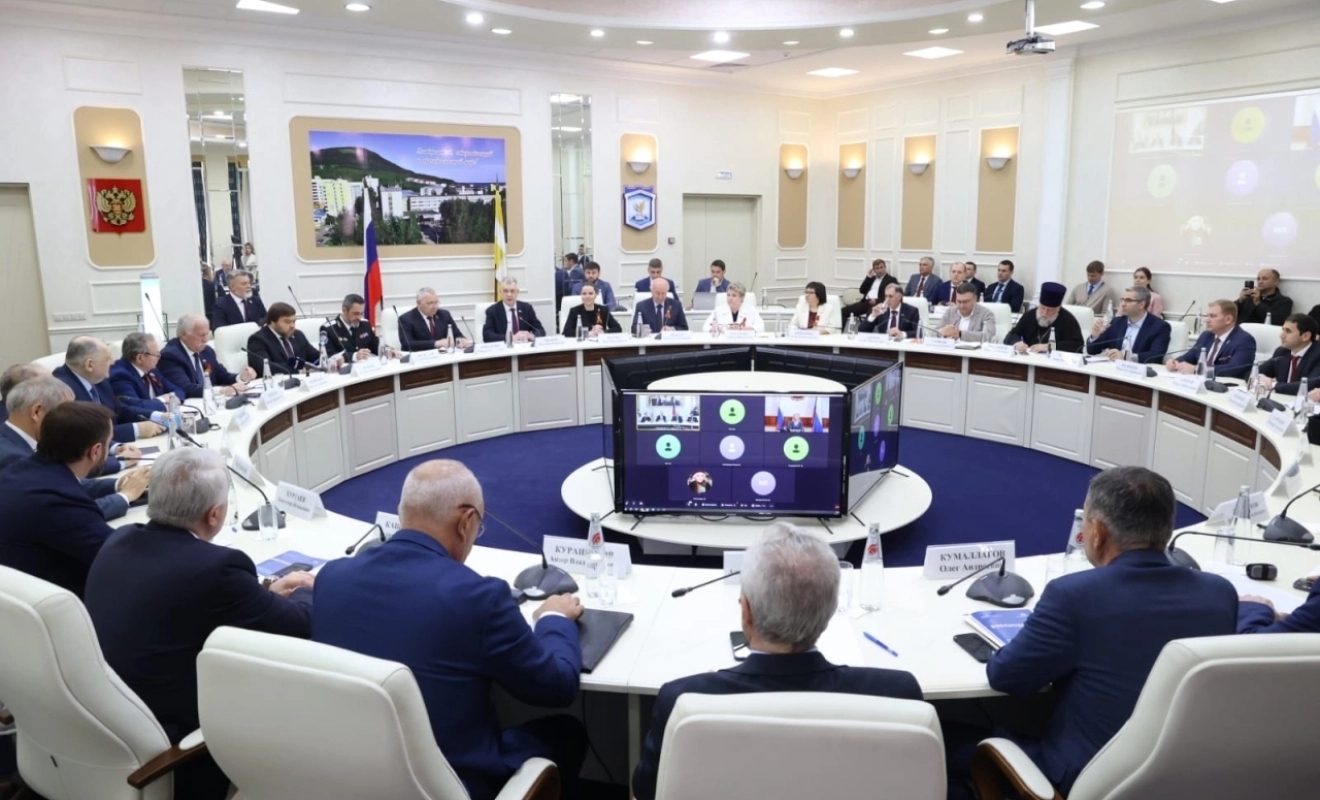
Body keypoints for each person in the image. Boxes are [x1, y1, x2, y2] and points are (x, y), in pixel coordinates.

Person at [312, 460, 586, 800]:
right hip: (451, 784)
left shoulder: (331, 578)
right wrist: (554, 618)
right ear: (466, 521)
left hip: (354, 778)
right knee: (567, 732)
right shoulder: (480, 598)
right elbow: (557, 687)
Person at [981, 466, 1237, 797]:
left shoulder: (1073, 596)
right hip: (1183, 782)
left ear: (1098, 532)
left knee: (960, 742)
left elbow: (1006, 676)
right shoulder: (1219, 594)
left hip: (1090, 783)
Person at [631, 523, 922, 800]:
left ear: (746, 611)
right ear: (832, 609)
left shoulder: (685, 700)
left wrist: (711, 687)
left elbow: (647, 793)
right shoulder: (899, 694)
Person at [85, 447, 313, 800]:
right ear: (214, 514)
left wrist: (264, 592)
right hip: (172, 745)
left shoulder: (119, 539)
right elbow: (299, 626)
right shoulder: (216, 568)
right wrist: (307, 588)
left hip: (105, 725)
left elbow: (188, 599)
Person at [0, 402, 118, 597]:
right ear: (96, 451)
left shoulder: (21, 470)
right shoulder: (58, 500)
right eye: (109, 442)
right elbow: (117, 556)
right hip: (65, 600)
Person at [0, 376, 148, 520]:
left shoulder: (18, 440)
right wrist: (125, 496)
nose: (75, 419)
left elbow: (65, 482)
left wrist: (120, 484)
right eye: (66, 412)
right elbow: (62, 515)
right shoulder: (12, 458)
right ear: (37, 412)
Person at [53, 336, 162, 461]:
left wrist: (158, 416)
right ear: (89, 364)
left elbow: (118, 410)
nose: (113, 362)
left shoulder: (98, 378)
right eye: (108, 358)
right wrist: (136, 429)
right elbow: (85, 434)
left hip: (109, 449)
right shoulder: (62, 390)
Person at [159, 313, 255, 398]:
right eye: (201, 335)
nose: (206, 340)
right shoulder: (170, 356)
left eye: (207, 334)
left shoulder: (207, 351)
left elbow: (221, 376)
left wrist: (240, 377)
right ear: (184, 334)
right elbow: (186, 388)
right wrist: (221, 391)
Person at [108, 332, 188, 423]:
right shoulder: (120, 375)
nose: (159, 357)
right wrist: (163, 401)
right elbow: (134, 407)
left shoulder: (151, 369)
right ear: (139, 358)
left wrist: (171, 399)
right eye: (156, 355)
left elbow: (178, 391)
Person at [1168, 299, 1256, 379]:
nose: (1207, 320)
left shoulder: (1244, 340)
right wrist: (1175, 362)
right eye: (1208, 316)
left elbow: (1234, 369)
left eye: (1213, 316)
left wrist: (1197, 369)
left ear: (1228, 319)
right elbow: (1190, 356)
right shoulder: (1206, 335)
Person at [1086, 286, 1172, 363]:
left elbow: (1156, 355)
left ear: (1141, 304)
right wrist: (1095, 336)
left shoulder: (1159, 327)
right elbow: (1092, 351)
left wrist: (1127, 356)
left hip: (1139, 371)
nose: (1123, 304)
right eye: (1122, 300)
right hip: (1113, 369)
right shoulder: (1117, 322)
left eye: (1128, 300)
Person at [1004, 282, 1085, 354]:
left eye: (1050, 310)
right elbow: (1012, 335)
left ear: (1058, 309)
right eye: (1042, 308)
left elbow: (1077, 345)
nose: (1044, 313)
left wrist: (1050, 346)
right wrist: (1017, 343)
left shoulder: (1068, 320)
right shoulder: (1029, 315)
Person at [246, 302, 325, 375]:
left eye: (294, 321)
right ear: (272, 321)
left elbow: (316, 357)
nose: (292, 326)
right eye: (287, 322)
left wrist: (325, 362)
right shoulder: (258, 340)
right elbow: (265, 367)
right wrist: (300, 369)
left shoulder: (298, 335)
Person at [1254, 314, 1320, 396]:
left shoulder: (1317, 356)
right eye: (1283, 330)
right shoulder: (1282, 352)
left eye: (1288, 331)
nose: (1281, 336)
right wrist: (1260, 377)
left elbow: (1308, 386)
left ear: (1305, 336)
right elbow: (1252, 373)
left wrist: (1273, 385)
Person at [398, 287, 468, 350]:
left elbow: (457, 334)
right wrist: (435, 343)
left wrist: (462, 340)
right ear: (418, 303)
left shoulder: (444, 315)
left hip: (442, 355)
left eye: (436, 302)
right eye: (430, 303)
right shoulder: (406, 319)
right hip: (420, 357)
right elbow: (407, 344)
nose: (434, 307)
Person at [482, 279, 546, 343]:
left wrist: (531, 336)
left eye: (512, 291)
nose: (509, 294)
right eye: (505, 291)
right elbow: (487, 336)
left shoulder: (527, 308)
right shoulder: (492, 311)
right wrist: (511, 338)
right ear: (500, 292)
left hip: (524, 347)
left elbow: (540, 330)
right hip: (505, 347)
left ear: (517, 292)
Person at [321, 293, 380, 361]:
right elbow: (328, 355)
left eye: (361, 313)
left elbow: (375, 345)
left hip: (366, 365)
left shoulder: (365, 324)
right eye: (356, 314)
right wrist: (354, 356)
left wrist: (386, 350)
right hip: (344, 367)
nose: (359, 318)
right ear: (344, 310)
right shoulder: (329, 329)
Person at [842, 258, 898, 325]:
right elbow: (862, 290)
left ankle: (865, 331)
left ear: (885, 268)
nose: (880, 270)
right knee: (843, 311)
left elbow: (892, 296)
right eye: (877, 268)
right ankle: (839, 331)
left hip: (879, 303)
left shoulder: (891, 280)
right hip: (866, 302)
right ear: (874, 270)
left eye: (881, 267)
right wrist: (868, 277)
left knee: (870, 315)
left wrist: (876, 300)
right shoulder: (871, 278)